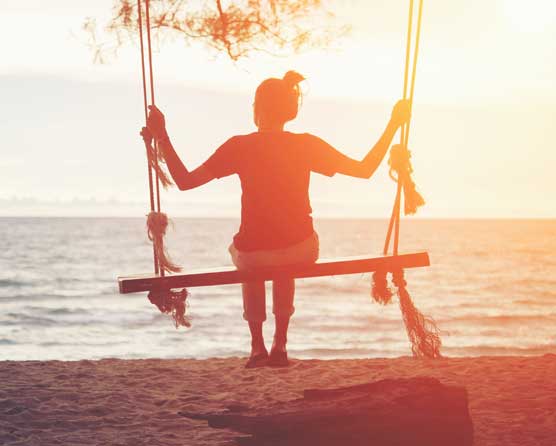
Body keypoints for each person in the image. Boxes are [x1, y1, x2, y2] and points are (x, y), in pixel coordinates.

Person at [141, 70, 411, 368]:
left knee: (249, 252)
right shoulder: (306, 144)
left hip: (254, 254)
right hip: (300, 250)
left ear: (257, 108)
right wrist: (393, 124)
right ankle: (280, 343)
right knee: (286, 251)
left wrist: (162, 136)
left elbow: (185, 181)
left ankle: (257, 346)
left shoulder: (238, 146)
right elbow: (364, 169)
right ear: (287, 109)